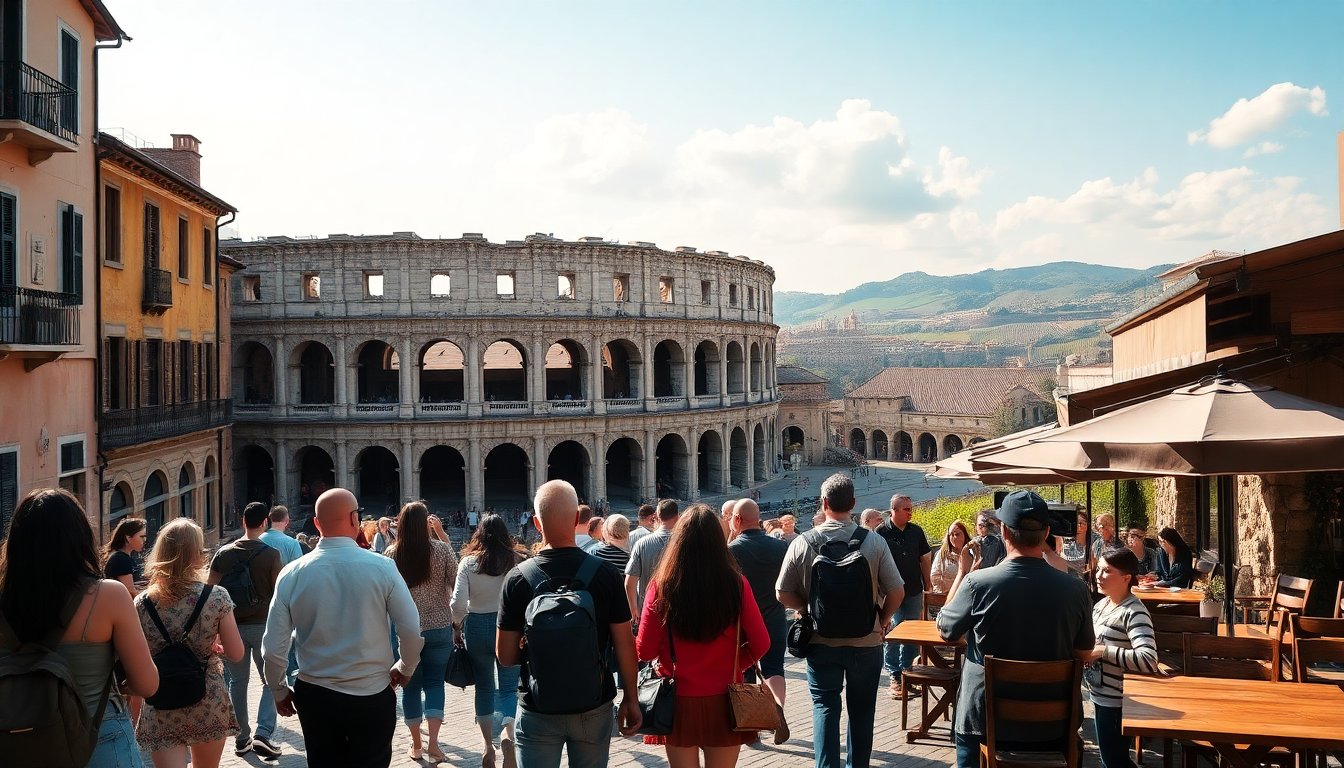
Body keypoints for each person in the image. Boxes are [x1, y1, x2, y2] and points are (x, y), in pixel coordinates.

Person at [262, 487, 424, 768]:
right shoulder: (383, 567)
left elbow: (274, 647)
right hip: (371, 691)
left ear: (316, 523)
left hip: (316, 693)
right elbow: (410, 628)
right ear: (354, 519)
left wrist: (278, 689)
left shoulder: (291, 574)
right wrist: (405, 667)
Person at [1, 489, 158, 768]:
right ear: (80, 537)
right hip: (100, 740)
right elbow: (147, 684)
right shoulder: (108, 596)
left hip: (18, 743)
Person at [937, 490, 1095, 768]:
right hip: (1054, 723)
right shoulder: (1076, 589)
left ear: (1004, 532)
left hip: (984, 721)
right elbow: (1083, 652)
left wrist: (963, 574)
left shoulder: (977, 584)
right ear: (1047, 532)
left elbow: (946, 630)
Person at [496, 480, 642, 768]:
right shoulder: (605, 574)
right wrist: (631, 699)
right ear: (577, 519)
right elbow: (625, 645)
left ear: (536, 523)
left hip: (538, 704)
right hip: (593, 703)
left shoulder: (517, 578)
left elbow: (506, 656)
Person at [776, 474, 905, 768]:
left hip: (820, 640)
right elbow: (897, 591)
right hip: (866, 640)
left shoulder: (803, 542)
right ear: (853, 503)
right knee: (862, 712)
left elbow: (781, 592)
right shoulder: (874, 542)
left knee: (824, 707)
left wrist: (806, 608)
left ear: (824, 503)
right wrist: (883, 619)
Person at [638, 505, 771, 766]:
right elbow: (762, 642)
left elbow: (645, 650)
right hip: (725, 699)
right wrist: (736, 663)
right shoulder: (736, 584)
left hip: (677, 700)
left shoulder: (661, 586)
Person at [136, 517, 245, 768]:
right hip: (206, 696)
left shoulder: (142, 603)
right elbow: (236, 653)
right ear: (197, 553)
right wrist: (211, 645)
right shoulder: (217, 597)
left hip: (161, 699)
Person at [207, 501, 284, 759]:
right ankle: (264, 732)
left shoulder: (223, 553)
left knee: (238, 682)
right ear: (265, 523)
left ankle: (242, 738)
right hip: (263, 626)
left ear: (243, 521)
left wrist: (215, 630)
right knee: (269, 680)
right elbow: (278, 595)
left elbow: (210, 592)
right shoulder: (272, 555)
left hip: (232, 627)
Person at [383, 501, 458, 761]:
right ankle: (434, 743)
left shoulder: (392, 554)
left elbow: (385, 594)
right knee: (436, 683)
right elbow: (456, 583)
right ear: (426, 523)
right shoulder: (442, 550)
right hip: (439, 625)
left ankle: (416, 744)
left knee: (411, 687)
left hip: (408, 629)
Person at [452, 513, 525, 768]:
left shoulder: (468, 563)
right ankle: (507, 734)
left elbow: (458, 603)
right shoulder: (516, 560)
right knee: (509, 687)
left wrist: (457, 625)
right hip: (509, 625)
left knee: (483, 686)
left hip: (477, 625)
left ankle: (486, 746)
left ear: (479, 534)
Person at [727, 497, 793, 744]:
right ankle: (778, 709)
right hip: (775, 616)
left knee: (745, 669)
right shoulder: (780, 547)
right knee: (775, 667)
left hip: (743, 621)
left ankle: (751, 725)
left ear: (737, 519)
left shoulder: (731, 551)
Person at [1086, 549, 1158, 768]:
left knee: (1114, 761)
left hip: (1117, 701)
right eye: (1099, 569)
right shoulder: (1102, 605)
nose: (1098, 576)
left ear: (1126, 578)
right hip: (1099, 695)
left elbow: (1148, 659)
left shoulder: (1134, 612)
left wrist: (1103, 651)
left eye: (1107, 571)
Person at [874, 494, 932, 699]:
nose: (910, 512)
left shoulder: (916, 531)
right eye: (906, 509)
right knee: (894, 631)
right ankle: (895, 675)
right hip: (890, 591)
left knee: (913, 631)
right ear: (894, 510)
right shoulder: (880, 532)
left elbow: (924, 558)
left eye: (910, 508)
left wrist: (927, 583)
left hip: (913, 589)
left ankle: (908, 671)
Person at [625, 499, 680, 627]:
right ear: (678, 517)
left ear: (657, 516)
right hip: (678, 610)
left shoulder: (642, 543)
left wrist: (633, 608)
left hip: (648, 609)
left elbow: (629, 583)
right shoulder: (685, 543)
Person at [104, 517, 148, 596]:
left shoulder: (125, 556)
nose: (145, 540)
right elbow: (130, 592)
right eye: (142, 536)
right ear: (128, 538)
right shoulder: (121, 558)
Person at [930, 520, 970, 595]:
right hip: (946, 594)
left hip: (967, 594)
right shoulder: (942, 553)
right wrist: (944, 592)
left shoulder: (972, 552)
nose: (954, 537)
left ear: (964, 535)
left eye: (957, 534)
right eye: (951, 535)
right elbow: (935, 575)